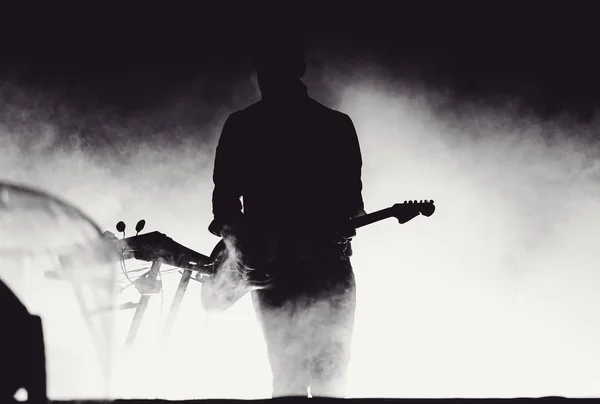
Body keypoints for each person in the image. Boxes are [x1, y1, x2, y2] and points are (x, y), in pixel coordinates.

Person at [208, 30, 365, 398]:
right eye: (264, 69)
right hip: (320, 266)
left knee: (292, 375)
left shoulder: (243, 126)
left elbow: (225, 206)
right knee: (327, 375)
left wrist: (244, 252)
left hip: (279, 267)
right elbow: (352, 205)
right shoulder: (336, 125)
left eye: (270, 68)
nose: (265, 77)